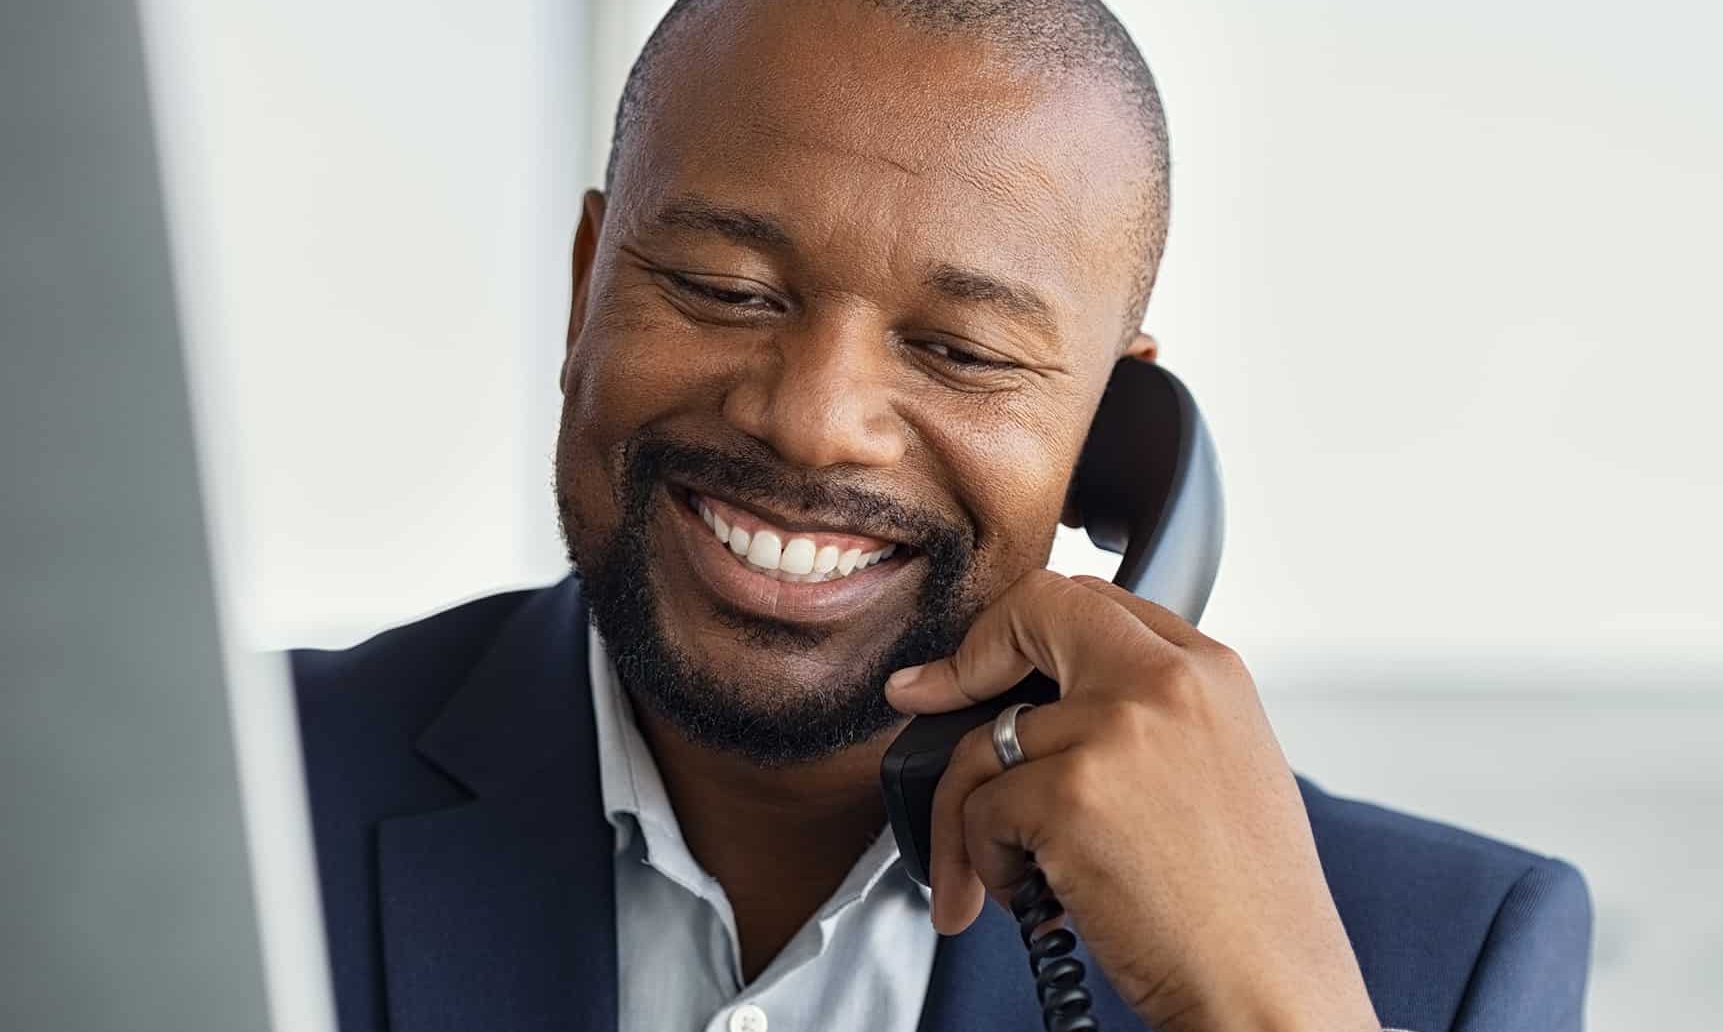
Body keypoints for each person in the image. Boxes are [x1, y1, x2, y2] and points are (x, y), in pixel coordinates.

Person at [292, 2, 1592, 1030]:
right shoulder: (226, 793)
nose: (814, 420)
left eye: (962, 351)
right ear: (586, 293)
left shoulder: (1439, 958)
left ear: (1108, 446)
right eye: (723, 286)